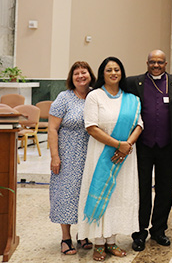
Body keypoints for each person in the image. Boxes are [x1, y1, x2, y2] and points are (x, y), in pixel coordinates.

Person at [78, 57, 144, 261]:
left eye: (117, 69)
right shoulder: (94, 96)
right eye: (109, 70)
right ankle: (98, 243)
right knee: (101, 194)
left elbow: (139, 125)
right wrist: (118, 145)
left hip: (125, 157)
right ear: (102, 73)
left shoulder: (132, 99)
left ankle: (111, 240)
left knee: (117, 197)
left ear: (122, 73)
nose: (113, 73)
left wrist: (127, 145)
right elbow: (91, 127)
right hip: (102, 155)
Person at [126, 50, 172, 251]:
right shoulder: (133, 83)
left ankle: (159, 229)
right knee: (142, 190)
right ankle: (140, 231)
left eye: (160, 62)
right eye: (152, 62)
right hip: (142, 147)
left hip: (168, 147)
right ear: (146, 62)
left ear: (166, 63)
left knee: (165, 191)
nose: (156, 65)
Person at [48, 61, 96, 255]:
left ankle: (83, 235)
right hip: (67, 155)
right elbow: (52, 128)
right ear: (71, 77)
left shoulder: (94, 96)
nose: (80, 76)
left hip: (90, 154)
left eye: (84, 72)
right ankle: (66, 238)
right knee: (65, 195)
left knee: (85, 194)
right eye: (76, 73)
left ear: (90, 75)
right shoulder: (64, 98)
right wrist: (54, 157)